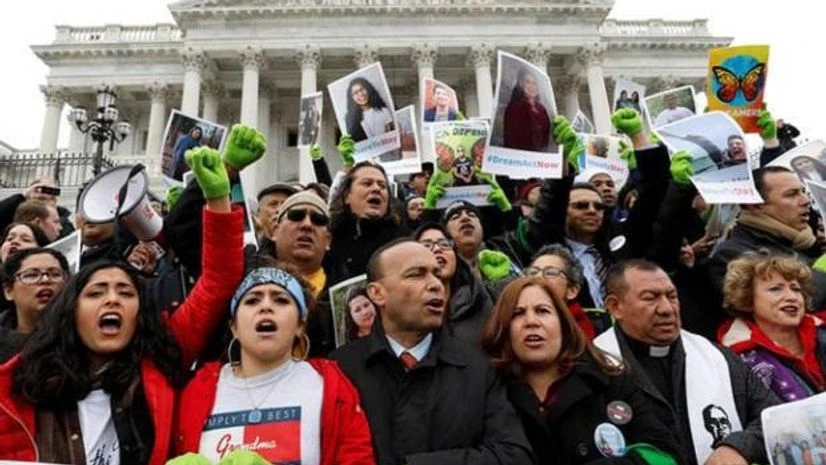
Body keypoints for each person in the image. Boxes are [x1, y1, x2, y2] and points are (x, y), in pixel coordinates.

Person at [0, 145, 244, 463]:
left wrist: (216, 199)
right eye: (97, 292)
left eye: (126, 293)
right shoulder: (20, 383)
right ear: (70, 309)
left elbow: (219, 279)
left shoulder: (162, 355)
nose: (113, 298)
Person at [331, 239, 533, 465]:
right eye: (416, 274)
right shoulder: (340, 369)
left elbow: (513, 456)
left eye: (437, 274)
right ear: (377, 293)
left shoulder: (478, 368)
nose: (435, 284)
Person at [172, 264, 375, 464]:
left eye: (281, 300)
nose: (266, 307)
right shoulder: (197, 391)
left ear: (300, 324)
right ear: (234, 326)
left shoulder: (332, 385)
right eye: (252, 301)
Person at [594, 260, 780, 465]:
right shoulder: (594, 368)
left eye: (672, 296)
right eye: (650, 298)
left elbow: (774, 419)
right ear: (615, 306)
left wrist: (739, 447)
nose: (667, 309)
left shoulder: (717, 357)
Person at [481, 276, 681, 465]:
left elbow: (665, 455)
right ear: (504, 328)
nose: (531, 321)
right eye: (517, 313)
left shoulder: (609, 382)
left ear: (563, 324)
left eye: (543, 310)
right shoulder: (488, 392)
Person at [709, 166, 826, 309]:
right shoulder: (732, 255)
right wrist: (822, 271)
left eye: (803, 191)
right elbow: (788, 308)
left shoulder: (804, 240)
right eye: (792, 194)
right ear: (756, 205)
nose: (806, 200)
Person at [719, 254, 826, 402]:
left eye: (796, 289)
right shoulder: (736, 361)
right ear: (748, 300)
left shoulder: (822, 331)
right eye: (776, 289)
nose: (791, 297)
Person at [414, 223, 494, 343]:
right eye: (427, 245)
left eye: (445, 244)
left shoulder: (481, 298)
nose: (437, 249)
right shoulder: (406, 309)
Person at [328, 161, 403, 279]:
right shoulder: (329, 240)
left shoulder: (401, 242)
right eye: (367, 184)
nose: (376, 189)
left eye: (382, 186)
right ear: (347, 196)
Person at [524, 244, 611, 339]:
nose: (538, 277)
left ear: (572, 291)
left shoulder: (601, 328)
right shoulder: (513, 320)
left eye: (551, 272)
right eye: (533, 272)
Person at [0, 248, 69, 364]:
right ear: (8, 291)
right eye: (31, 275)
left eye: (55, 274)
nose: (45, 280)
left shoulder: (85, 338)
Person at [0, 177, 74, 241]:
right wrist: (22, 196)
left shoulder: (63, 220)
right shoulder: (12, 213)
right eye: (40, 190)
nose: (46, 194)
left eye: (52, 191)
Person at [503, 67, 551, 152]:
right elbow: (512, 138)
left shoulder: (542, 109)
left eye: (534, 83)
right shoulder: (515, 107)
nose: (532, 86)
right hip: (522, 158)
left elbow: (547, 135)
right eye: (528, 82)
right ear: (521, 84)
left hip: (541, 156)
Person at [345, 77, 394, 143]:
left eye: (362, 89)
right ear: (352, 98)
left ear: (368, 89)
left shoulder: (384, 111)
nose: (360, 94)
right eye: (355, 93)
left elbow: (391, 137)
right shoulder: (351, 121)